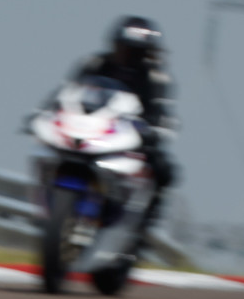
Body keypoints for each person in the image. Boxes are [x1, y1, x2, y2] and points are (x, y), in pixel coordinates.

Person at [64, 16, 178, 239]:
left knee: (164, 170)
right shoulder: (94, 63)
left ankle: (142, 228)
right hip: (90, 125)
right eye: (125, 48)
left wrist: (154, 132)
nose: (128, 55)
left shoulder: (157, 77)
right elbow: (68, 92)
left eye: (137, 51)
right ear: (114, 44)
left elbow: (161, 111)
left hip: (129, 133)